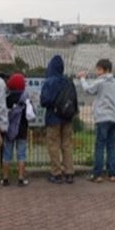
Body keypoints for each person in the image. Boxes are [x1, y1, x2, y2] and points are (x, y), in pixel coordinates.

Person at [76, 58, 115, 183]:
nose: (97, 72)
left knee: (99, 146)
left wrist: (82, 78)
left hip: (102, 118)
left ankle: (97, 174)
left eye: (98, 70)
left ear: (105, 70)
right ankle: (112, 174)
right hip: (114, 118)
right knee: (111, 146)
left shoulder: (100, 82)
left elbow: (88, 89)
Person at [40, 55, 75, 184]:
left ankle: (57, 173)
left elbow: (44, 101)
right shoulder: (68, 82)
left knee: (53, 145)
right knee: (67, 145)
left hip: (53, 118)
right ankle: (69, 172)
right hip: (67, 118)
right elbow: (74, 100)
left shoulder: (49, 82)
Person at [2, 73, 35, 187]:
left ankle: (5, 179)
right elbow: (31, 115)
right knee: (21, 155)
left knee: (7, 154)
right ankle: (21, 179)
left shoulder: (6, 98)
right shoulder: (26, 99)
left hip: (9, 131)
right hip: (22, 130)